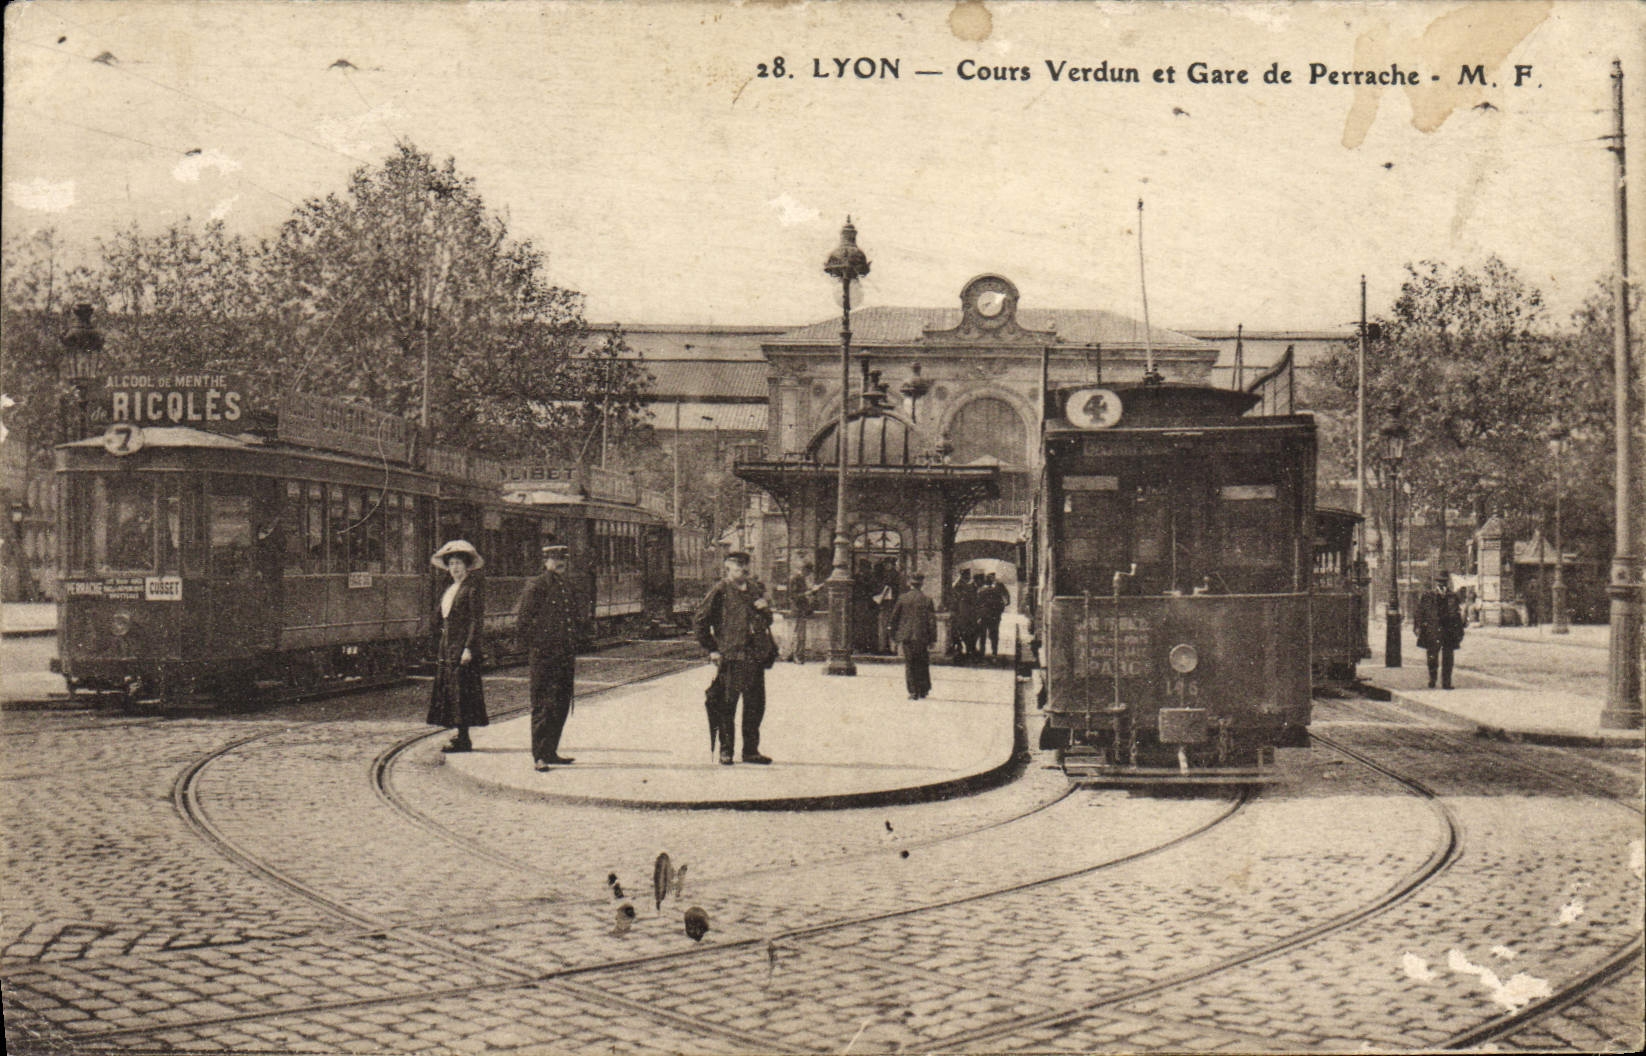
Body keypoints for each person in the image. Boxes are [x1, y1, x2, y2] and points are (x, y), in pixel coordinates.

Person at [694, 551, 774, 765]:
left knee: (755, 706)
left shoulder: (755, 590)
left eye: (745, 566)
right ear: (728, 569)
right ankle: (726, 751)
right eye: (738, 567)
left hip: (754, 657)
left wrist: (765, 610)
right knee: (727, 705)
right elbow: (700, 621)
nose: (743, 570)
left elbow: (767, 621)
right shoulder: (720, 590)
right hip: (731, 656)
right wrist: (712, 649)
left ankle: (751, 751)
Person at [516, 540, 578, 770]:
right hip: (544, 656)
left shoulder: (566, 585)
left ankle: (551, 751)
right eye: (555, 559)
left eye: (563, 559)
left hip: (564, 655)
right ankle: (540, 756)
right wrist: (538, 647)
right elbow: (523, 622)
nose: (560, 563)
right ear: (546, 562)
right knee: (543, 705)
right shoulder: (537, 585)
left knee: (560, 703)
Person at [426, 540, 488, 753]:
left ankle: (463, 739)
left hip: (461, 648)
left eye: (459, 563)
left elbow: (476, 621)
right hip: (448, 646)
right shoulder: (451, 588)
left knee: (462, 692)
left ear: (467, 566)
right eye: (451, 564)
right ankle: (459, 735)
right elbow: (440, 617)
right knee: (452, 691)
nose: (455, 568)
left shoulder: (472, 589)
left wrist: (469, 648)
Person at [1414, 572, 1465, 689]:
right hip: (1433, 629)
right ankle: (1432, 679)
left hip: (1448, 630)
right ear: (1436, 582)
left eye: (1443, 581)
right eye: (1439, 581)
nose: (1441, 584)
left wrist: (1460, 631)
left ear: (1447, 582)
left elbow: (1457, 615)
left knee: (1448, 658)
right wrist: (1418, 627)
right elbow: (1420, 612)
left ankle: (1446, 683)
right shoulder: (1428, 596)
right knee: (1432, 657)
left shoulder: (1452, 596)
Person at [890, 572, 937, 699]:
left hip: (906, 637)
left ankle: (913, 691)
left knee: (910, 664)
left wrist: (893, 635)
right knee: (922, 662)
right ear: (921, 584)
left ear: (910, 583)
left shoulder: (903, 598)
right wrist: (933, 639)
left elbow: (894, 618)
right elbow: (932, 621)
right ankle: (923, 689)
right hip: (921, 636)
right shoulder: (927, 600)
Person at [786, 562, 820, 663]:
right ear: (805, 570)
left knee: (798, 633)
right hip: (798, 609)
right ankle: (797, 655)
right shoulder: (796, 579)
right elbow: (793, 596)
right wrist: (807, 593)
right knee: (800, 634)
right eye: (808, 572)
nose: (808, 575)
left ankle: (794, 654)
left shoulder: (800, 579)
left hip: (801, 609)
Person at [948, 569, 977, 661]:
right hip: (963, 614)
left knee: (962, 633)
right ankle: (966, 651)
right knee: (965, 633)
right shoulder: (964, 586)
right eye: (968, 575)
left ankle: (963, 650)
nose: (969, 577)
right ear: (965, 575)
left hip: (960, 613)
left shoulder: (958, 585)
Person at [979, 572, 1009, 660]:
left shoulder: (984, 588)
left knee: (988, 634)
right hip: (991, 615)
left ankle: (986, 653)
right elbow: (1006, 600)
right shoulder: (997, 587)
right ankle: (991, 653)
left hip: (989, 615)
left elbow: (1006, 599)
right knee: (990, 634)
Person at [875, 559, 901, 655]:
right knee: (890, 626)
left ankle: (883, 648)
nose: (886, 566)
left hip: (887, 604)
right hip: (892, 604)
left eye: (887, 564)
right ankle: (891, 648)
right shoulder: (896, 575)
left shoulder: (890, 575)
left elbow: (886, 588)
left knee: (884, 626)